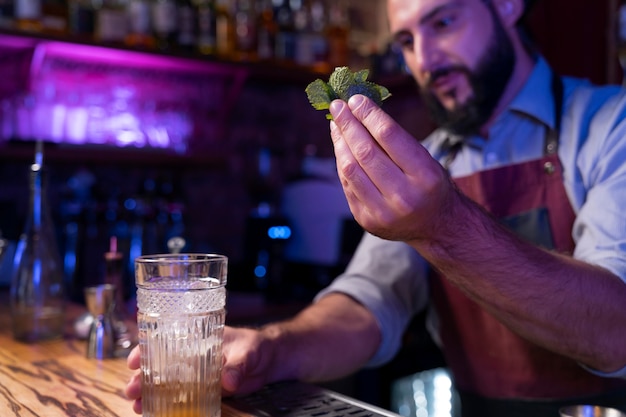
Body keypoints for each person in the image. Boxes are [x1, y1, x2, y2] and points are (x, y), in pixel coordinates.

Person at [125, 0, 626, 415]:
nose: (426, 59)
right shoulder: (429, 157)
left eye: (443, 21)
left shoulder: (610, 124)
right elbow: (368, 302)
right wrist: (275, 349)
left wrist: (443, 226)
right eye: (406, 41)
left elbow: (613, 330)